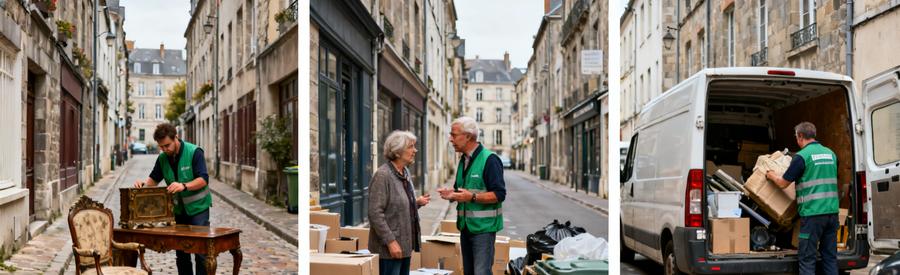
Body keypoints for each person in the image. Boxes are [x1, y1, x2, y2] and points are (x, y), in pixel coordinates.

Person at [133, 123, 212, 275]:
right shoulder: (162, 158)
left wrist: (184, 186)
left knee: (201, 251)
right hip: (178, 210)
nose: (164, 149)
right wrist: (142, 185)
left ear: (176, 137)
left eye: (167, 145)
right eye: (161, 146)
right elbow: (153, 180)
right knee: (181, 252)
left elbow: (203, 179)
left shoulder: (194, 152)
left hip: (198, 209)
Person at [766, 122, 839, 275]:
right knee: (830, 258)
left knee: (807, 259)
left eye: (796, 136)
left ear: (800, 136)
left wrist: (770, 175)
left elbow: (783, 183)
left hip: (813, 215)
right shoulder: (831, 154)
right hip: (832, 214)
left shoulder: (801, 157)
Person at [438, 116, 507, 275]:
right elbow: (463, 191)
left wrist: (472, 197)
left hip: (483, 230)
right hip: (466, 228)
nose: (450, 139)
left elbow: (499, 194)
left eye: (454, 135)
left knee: (481, 272)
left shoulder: (490, 160)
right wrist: (452, 194)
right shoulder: (464, 160)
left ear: (468, 136)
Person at [369, 130, 431, 275]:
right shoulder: (383, 175)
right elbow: (375, 213)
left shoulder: (405, 172)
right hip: (388, 249)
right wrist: (391, 242)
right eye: (411, 146)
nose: (415, 150)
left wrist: (416, 203)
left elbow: (397, 205)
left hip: (405, 246)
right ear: (397, 152)